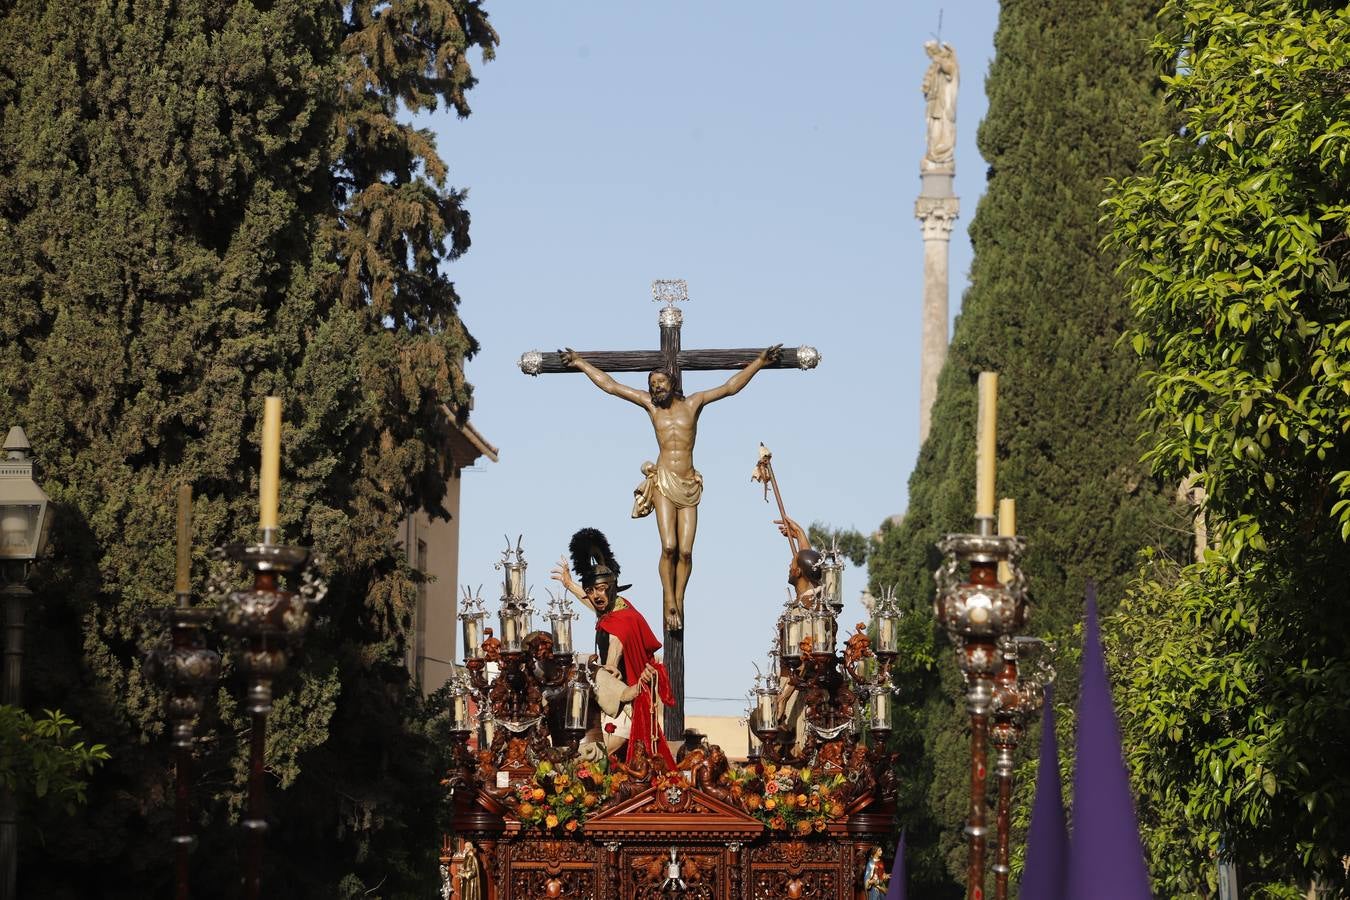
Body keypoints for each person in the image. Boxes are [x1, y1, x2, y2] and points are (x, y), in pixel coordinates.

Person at [559, 345, 782, 630]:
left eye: (660, 384)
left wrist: (760, 362)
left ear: (672, 383)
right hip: (664, 480)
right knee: (669, 546)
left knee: (686, 552)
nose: (655, 390)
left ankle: (680, 596)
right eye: (652, 385)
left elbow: (730, 387)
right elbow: (612, 386)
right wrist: (580, 362)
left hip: (689, 483)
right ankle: (669, 600)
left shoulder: (694, 404)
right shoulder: (651, 408)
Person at [552, 527, 676, 767]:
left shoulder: (621, 622)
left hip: (629, 700)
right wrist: (569, 584)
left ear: (610, 587)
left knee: (608, 752)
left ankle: (577, 765)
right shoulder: (615, 609)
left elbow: (616, 643)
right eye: (591, 590)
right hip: (621, 696)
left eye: (600, 589)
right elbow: (594, 605)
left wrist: (608, 669)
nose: (595, 595)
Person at [920, 40, 959, 173]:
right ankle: (933, 155)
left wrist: (940, 61)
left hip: (942, 105)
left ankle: (940, 155)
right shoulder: (933, 65)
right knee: (932, 133)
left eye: (929, 52)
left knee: (941, 131)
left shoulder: (944, 61)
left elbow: (950, 70)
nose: (928, 55)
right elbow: (926, 85)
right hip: (933, 104)